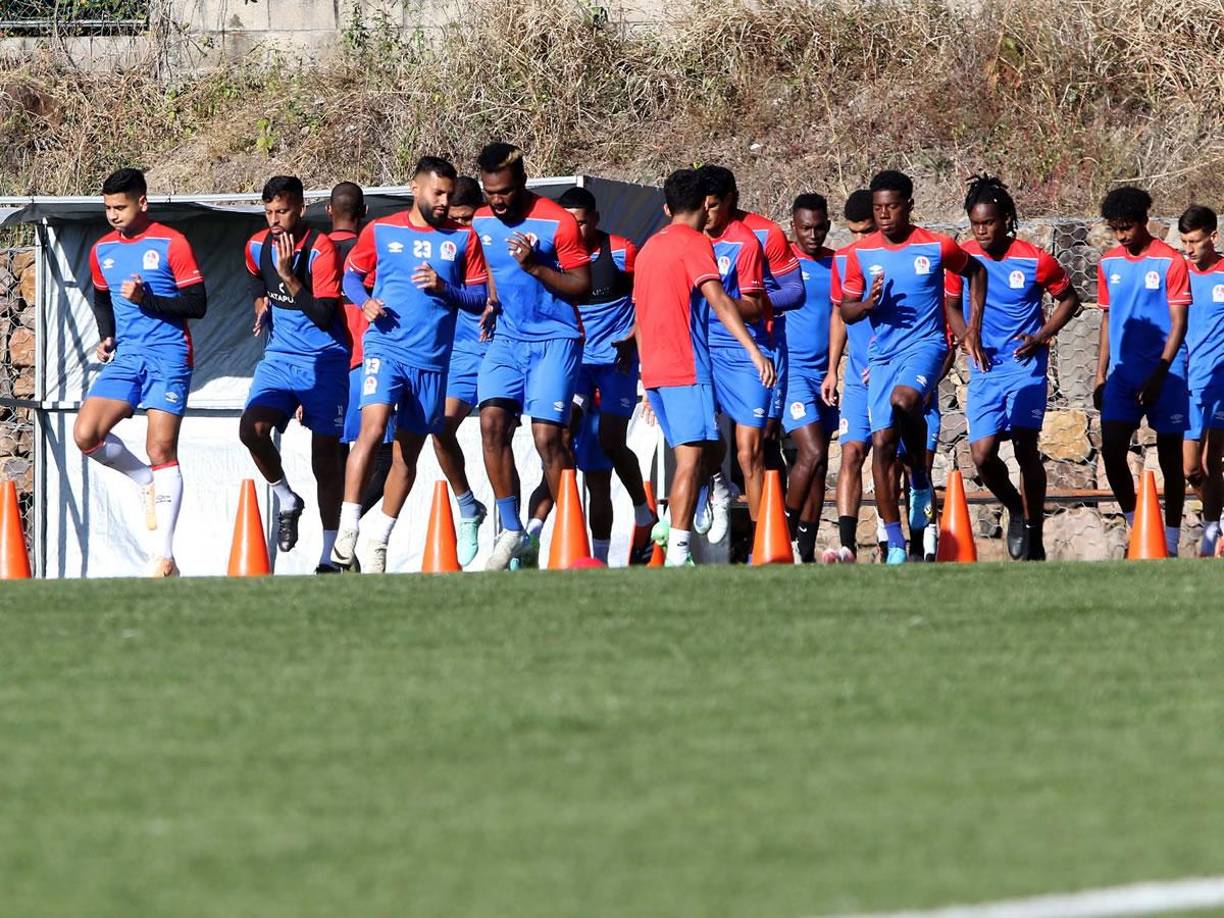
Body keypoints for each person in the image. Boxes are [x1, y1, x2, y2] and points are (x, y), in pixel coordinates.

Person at [332, 156, 489, 572]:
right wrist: (364, 302)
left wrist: (444, 288)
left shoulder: (464, 241)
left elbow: (479, 299)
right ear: (415, 188)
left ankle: (379, 539)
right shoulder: (381, 230)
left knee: (408, 455)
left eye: (449, 195)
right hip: (385, 349)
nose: (443, 201)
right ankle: (347, 528)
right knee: (372, 429)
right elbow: (350, 277)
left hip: (433, 362)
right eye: (437, 192)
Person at [840, 169, 987, 564]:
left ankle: (920, 477)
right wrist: (866, 306)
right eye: (878, 208)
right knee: (883, 448)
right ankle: (897, 545)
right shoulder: (861, 253)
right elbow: (846, 310)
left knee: (905, 400)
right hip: (882, 356)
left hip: (926, 345)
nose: (884, 215)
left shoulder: (936, 246)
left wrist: (972, 327)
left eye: (891, 207)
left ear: (908, 206)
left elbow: (976, 271)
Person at [635, 169, 775, 566]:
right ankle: (678, 551)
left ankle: (714, 488)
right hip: (685, 367)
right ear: (703, 205)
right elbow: (720, 301)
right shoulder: (695, 244)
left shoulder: (647, 249)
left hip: (657, 370)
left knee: (699, 451)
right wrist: (753, 349)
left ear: (667, 207)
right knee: (690, 462)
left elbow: (640, 317)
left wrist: (645, 377)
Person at [74, 167, 206, 577]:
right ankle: (147, 481)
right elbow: (100, 297)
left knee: (162, 449)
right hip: (128, 357)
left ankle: (163, 557)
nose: (113, 214)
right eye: (108, 208)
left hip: (169, 356)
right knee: (86, 435)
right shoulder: (103, 250)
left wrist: (148, 298)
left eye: (121, 206)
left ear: (142, 203)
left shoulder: (172, 243)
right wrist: (108, 336)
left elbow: (197, 304)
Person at [945, 174, 1081, 561]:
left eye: (988, 222)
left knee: (1025, 446)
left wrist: (1040, 336)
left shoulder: (1034, 259)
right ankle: (1016, 509)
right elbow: (952, 306)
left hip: (1025, 366)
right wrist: (965, 338)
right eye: (975, 224)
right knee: (983, 455)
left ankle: (1034, 532)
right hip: (985, 368)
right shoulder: (963, 257)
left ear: (1006, 219)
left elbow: (1070, 300)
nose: (982, 231)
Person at [472, 143, 591, 571]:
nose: (496, 200)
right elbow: (488, 267)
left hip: (556, 338)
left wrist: (536, 267)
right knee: (491, 423)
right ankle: (512, 529)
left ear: (521, 181)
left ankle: (573, 539)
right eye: (489, 191)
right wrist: (490, 299)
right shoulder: (482, 220)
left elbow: (582, 285)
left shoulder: (557, 222)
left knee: (548, 439)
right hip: (506, 337)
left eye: (503, 191)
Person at [239, 176, 348, 573]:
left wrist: (288, 278)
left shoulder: (321, 251)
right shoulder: (256, 244)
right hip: (280, 357)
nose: (274, 220)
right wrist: (260, 299)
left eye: (281, 211)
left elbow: (323, 315)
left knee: (326, 460)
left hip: (325, 359)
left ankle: (329, 554)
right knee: (250, 430)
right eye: (268, 212)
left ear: (301, 208)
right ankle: (287, 498)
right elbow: (253, 272)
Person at [558, 185, 656, 564]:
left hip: (616, 362)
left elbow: (647, 298)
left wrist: (632, 339)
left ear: (595, 220)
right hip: (576, 363)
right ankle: (567, 531)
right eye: (568, 223)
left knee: (612, 440)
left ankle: (642, 510)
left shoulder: (621, 250)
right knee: (561, 434)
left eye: (581, 223)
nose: (575, 231)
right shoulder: (556, 256)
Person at [1095, 186, 1190, 557]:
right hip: (1122, 374)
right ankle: (1139, 528)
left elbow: (1179, 322)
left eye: (1128, 228)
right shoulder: (1108, 263)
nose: (1122, 235)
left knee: (1171, 458)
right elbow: (1107, 318)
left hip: (1167, 374)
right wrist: (1099, 374)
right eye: (1116, 229)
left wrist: (1160, 372)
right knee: (1112, 450)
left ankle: (1170, 539)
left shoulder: (1170, 262)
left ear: (1144, 221)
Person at [693, 165, 772, 553]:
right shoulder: (687, 239)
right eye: (700, 206)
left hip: (743, 353)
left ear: (730, 202)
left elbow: (757, 307)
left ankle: (761, 545)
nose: (705, 214)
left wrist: (720, 302)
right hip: (700, 349)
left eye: (711, 206)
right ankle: (717, 486)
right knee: (704, 441)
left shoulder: (745, 243)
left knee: (748, 450)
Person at [430, 175, 490, 566]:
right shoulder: (444, 243)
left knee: (496, 434)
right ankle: (468, 506)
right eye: (455, 219)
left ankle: (515, 530)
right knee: (440, 427)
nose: (461, 227)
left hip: (501, 348)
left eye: (467, 219)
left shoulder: (494, 235)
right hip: (462, 353)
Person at [329, 181, 395, 527]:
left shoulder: (315, 252)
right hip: (364, 363)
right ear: (364, 212)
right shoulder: (374, 251)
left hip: (326, 367)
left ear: (328, 211)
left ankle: (337, 544)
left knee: (336, 455)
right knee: (384, 455)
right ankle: (344, 532)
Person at [824, 189, 878, 562]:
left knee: (896, 460)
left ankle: (901, 542)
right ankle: (847, 544)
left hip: (893, 373)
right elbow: (839, 316)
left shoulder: (898, 255)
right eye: (853, 233)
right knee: (851, 452)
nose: (860, 241)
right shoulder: (843, 261)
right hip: (857, 378)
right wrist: (832, 369)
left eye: (867, 231)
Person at [784, 193, 837, 562]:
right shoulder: (780, 262)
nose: (813, 235)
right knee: (812, 450)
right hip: (791, 374)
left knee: (818, 464)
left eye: (819, 227)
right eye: (806, 228)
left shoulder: (837, 263)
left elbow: (843, 316)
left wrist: (834, 369)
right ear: (794, 227)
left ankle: (804, 550)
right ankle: (782, 532)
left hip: (825, 377)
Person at [1178, 205, 1224, 556]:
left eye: (1194, 241)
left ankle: (1211, 538)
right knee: (1191, 467)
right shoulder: (1180, 274)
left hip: (1220, 383)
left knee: (1214, 459)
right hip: (1187, 383)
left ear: (1213, 236)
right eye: (1183, 242)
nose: (1189, 249)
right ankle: (1219, 519)